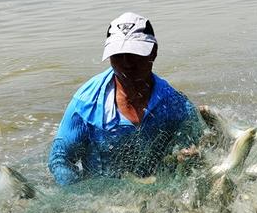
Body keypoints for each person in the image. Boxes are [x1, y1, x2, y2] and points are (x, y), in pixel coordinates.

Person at [48, 12, 203, 186]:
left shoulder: (176, 105)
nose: (127, 64)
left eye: (134, 54)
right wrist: (78, 196)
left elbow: (201, 147)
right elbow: (60, 159)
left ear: (153, 52)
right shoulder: (86, 105)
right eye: (118, 55)